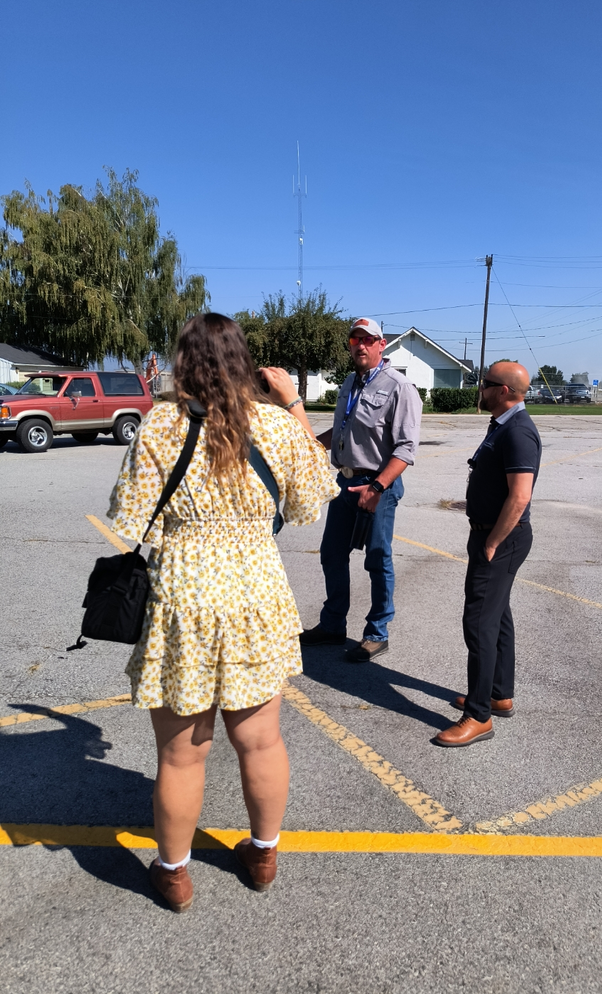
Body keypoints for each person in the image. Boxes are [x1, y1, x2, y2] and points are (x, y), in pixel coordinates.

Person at [107, 313, 338, 911]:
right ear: (243, 361)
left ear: (184, 360)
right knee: (261, 742)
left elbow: (129, 517)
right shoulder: (274, 425)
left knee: (182, 753)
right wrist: (292, 403)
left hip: (185, 594)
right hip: (257, 595)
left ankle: (175, 873)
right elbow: (316, 494)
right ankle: (262, 855)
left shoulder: (160, 424)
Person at [300, 317, 422, 662]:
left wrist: (378, 486)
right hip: (345, 482)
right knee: (332, 554)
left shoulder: (399, 387)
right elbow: (340, 433)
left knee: (378, 559)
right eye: (356, 340)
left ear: (382, 345)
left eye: (369, 340)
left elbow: (405, 449)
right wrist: (304, 441)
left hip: (377, 484)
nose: (361, 345)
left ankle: (376, 633)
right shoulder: (351, 383)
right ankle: (333, 625)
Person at [434, 361, 541, 748]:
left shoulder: (518, 433)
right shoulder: (502, 425)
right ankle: (499, 694)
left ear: (506, 392)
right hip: (492, 537)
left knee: (478, 621)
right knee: (498, 617)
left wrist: (492, 543)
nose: (480, 387)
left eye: (487, 383)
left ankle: (478, 715)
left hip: (501, 540)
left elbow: (520, 497)